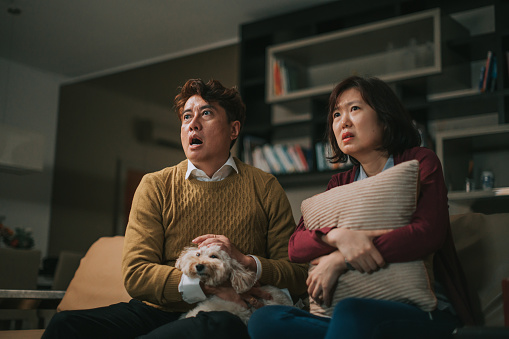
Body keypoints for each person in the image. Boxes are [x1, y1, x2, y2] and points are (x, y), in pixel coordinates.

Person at [42, 79, 307, 339]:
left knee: (213, 327)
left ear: (233, 129)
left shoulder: (265, 187)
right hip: (158, 310)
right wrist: (207, 288)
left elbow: (297, 274)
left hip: (226, 314)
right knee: (65, 325)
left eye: (206, 113)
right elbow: (136, 273)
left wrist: (246, 261)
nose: (193, 123)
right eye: (186, 117)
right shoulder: (155, 185)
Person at [248, 76, 479, 339]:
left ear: (384, 116)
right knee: (265, 319)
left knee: (351, 313)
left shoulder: (420, 161)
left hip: (423, 312)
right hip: (350, 313)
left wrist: (342, 259)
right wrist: (337, 236)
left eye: (354, 108)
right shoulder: (339, 182)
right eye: (336, 114)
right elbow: (296, 246)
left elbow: (428, 233)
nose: (343, 121)